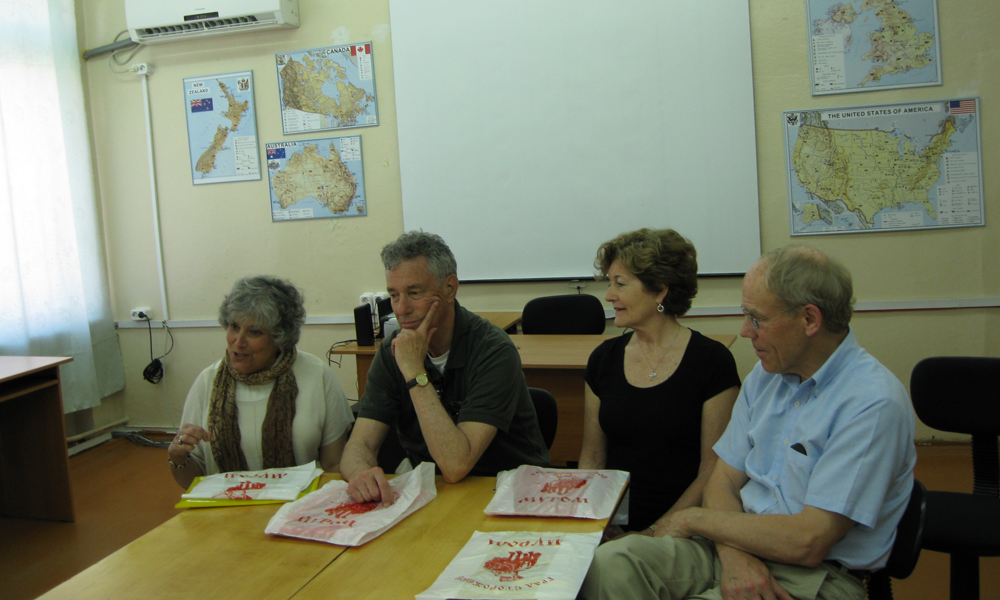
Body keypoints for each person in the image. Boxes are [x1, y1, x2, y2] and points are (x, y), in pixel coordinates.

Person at [580, 245, 917, 600]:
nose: (745, 331)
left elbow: (808, 541)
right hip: (730, 546)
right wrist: (736, 556)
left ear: (809, 320)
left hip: (815, 574)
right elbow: (722, 480)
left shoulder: (871, 403)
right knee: (607, 565)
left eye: (757, 319)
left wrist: (694, 519)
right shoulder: (767, 375)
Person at [340, 231, 549, 503]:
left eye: (414, 293)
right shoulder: (391, 351)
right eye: (394, 295)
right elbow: (360, 445)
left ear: (450, 288)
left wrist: (415, 372)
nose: (401, 309)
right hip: (436, 495)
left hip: (510, 494)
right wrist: (360, 472)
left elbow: (455, 465)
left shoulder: (493, 349)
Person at [578, 228, 740, 536]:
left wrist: (654, 533)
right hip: (610, 526)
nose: (609, 295)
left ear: (659, 291)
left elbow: (712, 472)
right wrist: (594, 524)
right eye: (609, 283)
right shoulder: (603, 359)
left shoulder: (711, 362)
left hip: (683, 528)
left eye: (620, 283)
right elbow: (592, 457)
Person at [167, 276, 354, 489]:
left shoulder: (317, 375)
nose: (238, 341)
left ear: (279, 337)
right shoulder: (207, 381)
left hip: (303, 503)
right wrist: (177, 456)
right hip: (226, 505)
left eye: (254, 332)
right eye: (234, 327)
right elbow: (194, 483)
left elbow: (334, 465)